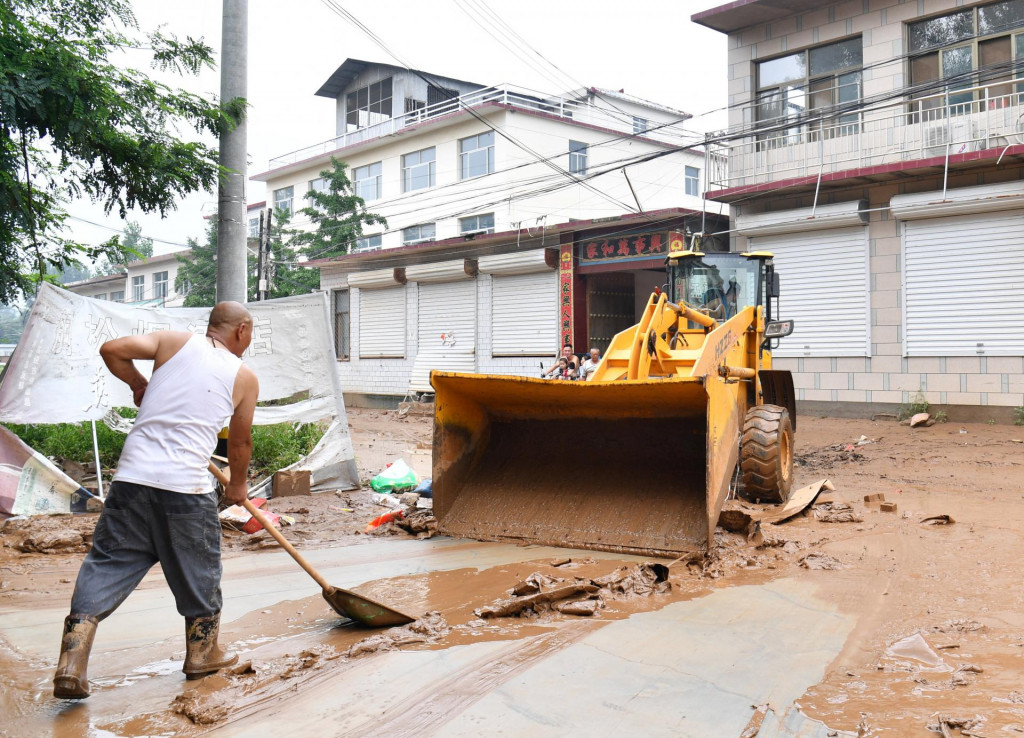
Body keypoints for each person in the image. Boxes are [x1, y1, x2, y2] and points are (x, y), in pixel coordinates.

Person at [53, 302, 259, 700]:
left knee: (108, 562)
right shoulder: (244, 377)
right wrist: (237, 487)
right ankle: (202, 655)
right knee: (199, 570)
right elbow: (240, 441)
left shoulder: (172, 341)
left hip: (131, 480)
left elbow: (112, 349)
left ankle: (71, 663)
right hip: (185, 489)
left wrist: (137, 384)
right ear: (241, 330)